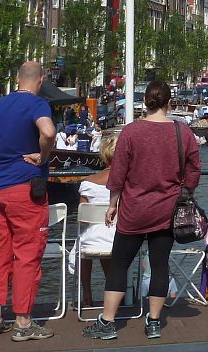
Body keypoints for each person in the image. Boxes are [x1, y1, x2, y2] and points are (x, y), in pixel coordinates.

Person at [82, 80, 200, 342]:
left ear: (145, 102)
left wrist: (113, 204)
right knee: (160, 265)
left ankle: (108, 322)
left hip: (134, 209)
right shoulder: (183, 132)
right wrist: (186, 192)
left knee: (120, 264)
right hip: (167, 210)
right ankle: (154, 321)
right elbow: (194, 168)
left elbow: (118, 174)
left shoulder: (132, 133)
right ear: (170, 103)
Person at [0, 61, 57, 341]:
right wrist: (44, 155)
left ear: (16, 78)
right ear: (40, 80)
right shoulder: (37, 104)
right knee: (27, 255)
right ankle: (23, 323)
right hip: (25, 190)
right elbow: (48, 132)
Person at [74, 131, 118, 308]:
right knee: (103, 235)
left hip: (94, 238)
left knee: (88, 237)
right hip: (119, 235)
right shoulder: (129, 181)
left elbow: (82, 217)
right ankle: (113, 290)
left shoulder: (88, 182)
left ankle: (87, 294)